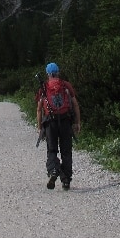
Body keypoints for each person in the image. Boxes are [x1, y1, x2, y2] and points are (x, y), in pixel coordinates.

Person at [36, 62, 81, 190]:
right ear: (58, 72)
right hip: (66, 121)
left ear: (47, 74)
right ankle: (66, 180)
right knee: (66, 151)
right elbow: (75, 104)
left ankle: (54, 170)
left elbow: (39, 109)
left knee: (52, 149)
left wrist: (40, 127)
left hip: (50, 123)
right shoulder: (66, 85)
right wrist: (78, 122)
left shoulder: (44, 88)